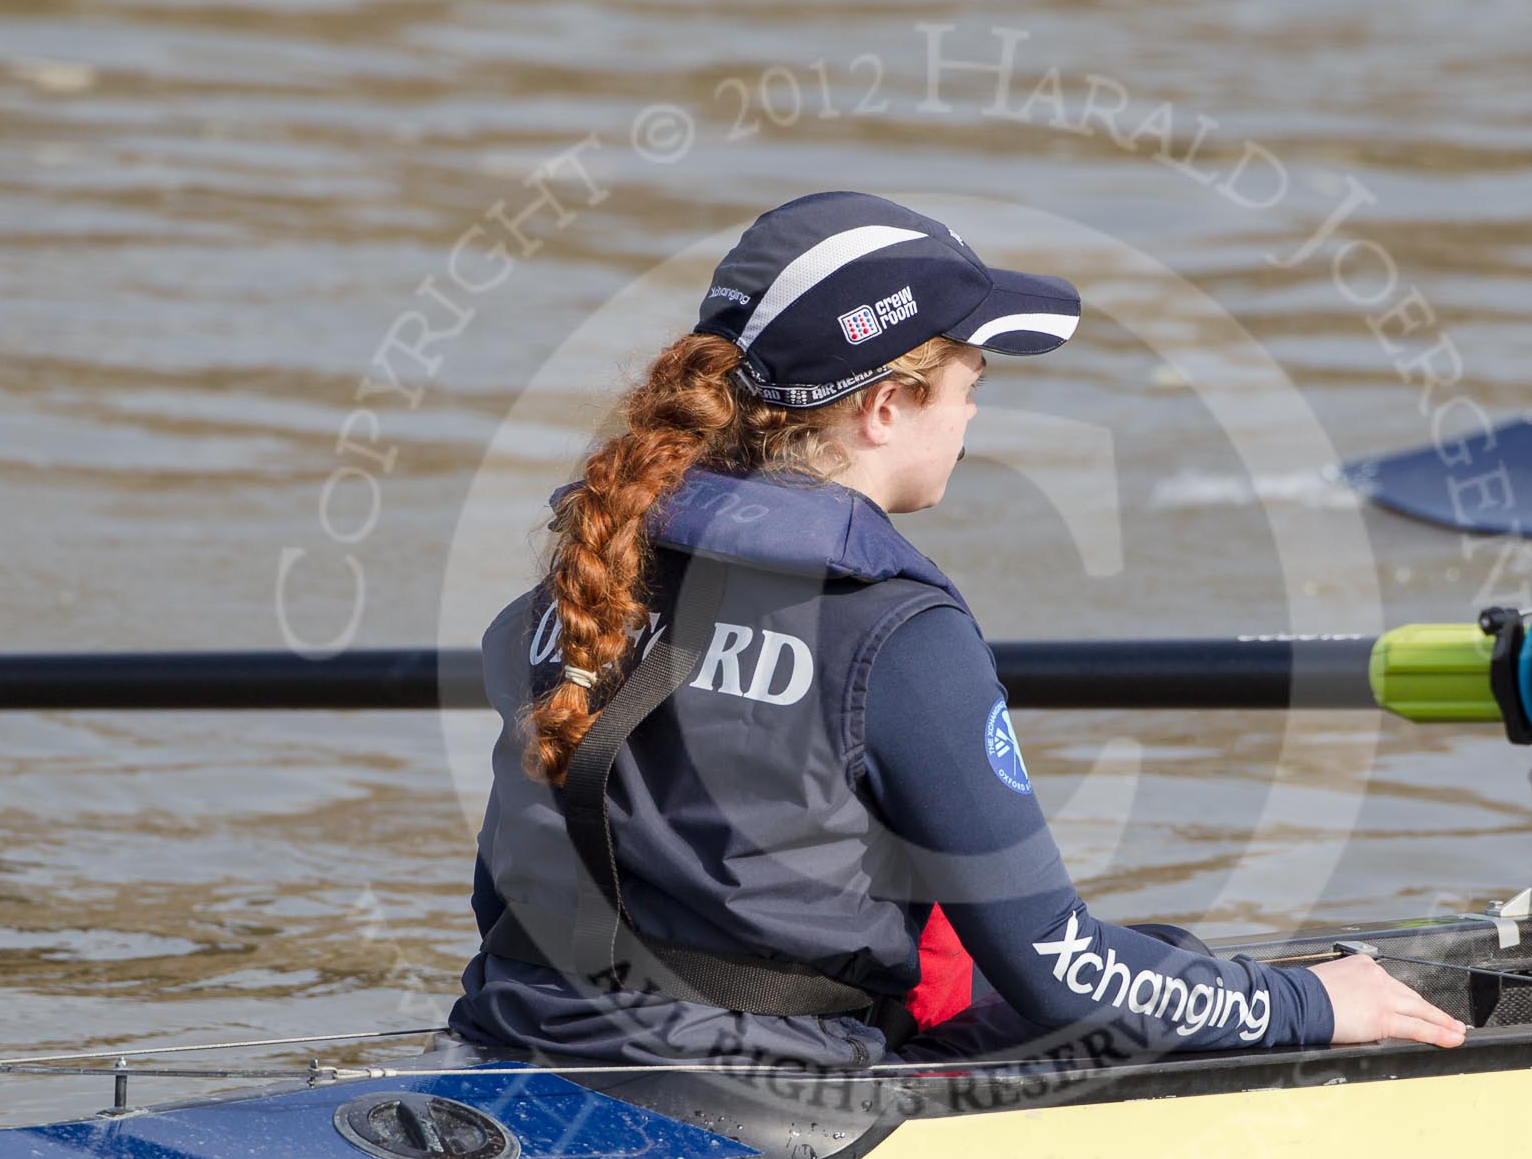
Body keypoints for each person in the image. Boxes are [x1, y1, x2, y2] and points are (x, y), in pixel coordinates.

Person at [447, 191, 1465, 1068]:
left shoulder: (589, 572)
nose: (973, 419)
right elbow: (1061, 970)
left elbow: (509, 901)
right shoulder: (892, 630)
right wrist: (1313, 1003)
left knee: (1068, 957)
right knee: (1149, 963)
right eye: (972, 386)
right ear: (888, 405)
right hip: (774, 1104)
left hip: (505, 1042)